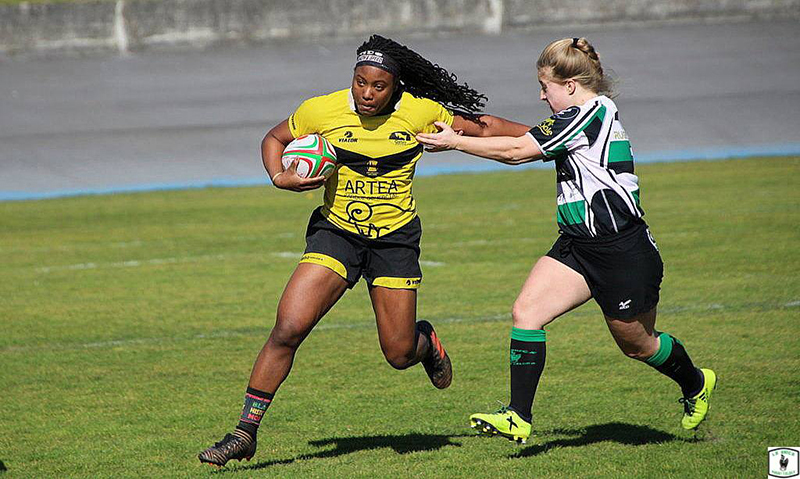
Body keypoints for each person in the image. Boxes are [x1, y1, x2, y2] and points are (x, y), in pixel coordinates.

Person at [198, 34, 531, 466]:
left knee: (397, 353)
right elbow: (273, 139)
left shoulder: (422, 113)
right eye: (360, 82)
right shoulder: (321, 110)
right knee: (288, 327)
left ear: (396, 86)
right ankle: (245, 432)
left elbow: (484, 127)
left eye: (378, 86)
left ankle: (425, 343)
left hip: (395, 241)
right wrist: (279, 177)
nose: (367, 93)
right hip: (337, 234)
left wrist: (552, 135)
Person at [417, 37, 716, 444]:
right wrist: (461, 124)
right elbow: (519, 134)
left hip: (622, 251)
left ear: (571, 84)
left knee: (638, 345)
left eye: (546, 87)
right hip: (577, 245)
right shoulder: (576, 118)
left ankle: (696, 381)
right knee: (526, 312)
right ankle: (518, 416)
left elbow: (517, 152)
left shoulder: (591, 112)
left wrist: (454, 142)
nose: (542, 96)